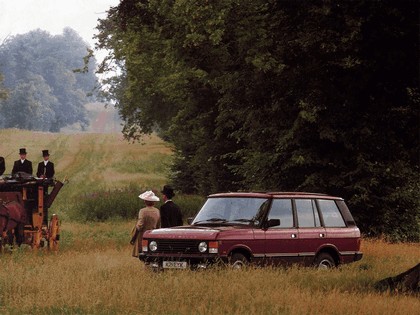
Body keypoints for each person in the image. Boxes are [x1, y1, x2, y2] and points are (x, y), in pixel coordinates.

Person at [130, 190, 161, 257]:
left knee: (143, 254)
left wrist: (134, 237)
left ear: (145, 201)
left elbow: (139, 225)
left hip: (143, 236)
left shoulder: (143, 211)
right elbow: (158, 226)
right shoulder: (157, 211)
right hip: (153, 236)